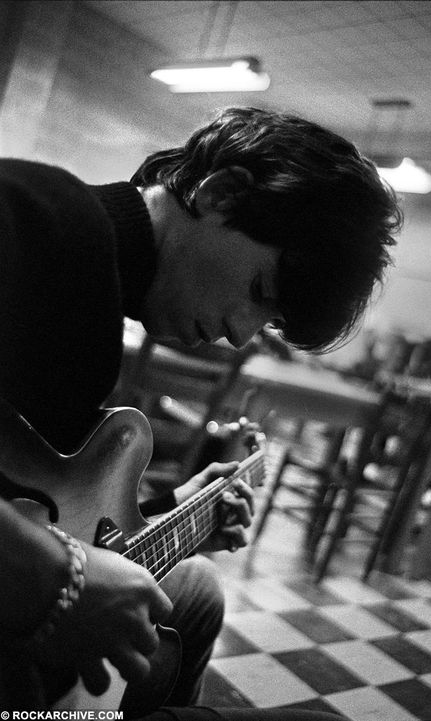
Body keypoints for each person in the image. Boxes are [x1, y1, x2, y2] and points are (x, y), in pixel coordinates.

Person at [0, 106, 401, 719]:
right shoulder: (46, 218)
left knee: (199, 593)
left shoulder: (100, 297)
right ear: (220, 193)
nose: (242, 335)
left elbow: (37, 503)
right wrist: (61, 582)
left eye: (269, 324)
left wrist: (172, 512)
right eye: (261, 292)